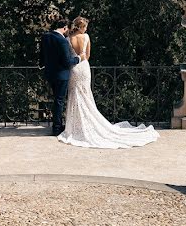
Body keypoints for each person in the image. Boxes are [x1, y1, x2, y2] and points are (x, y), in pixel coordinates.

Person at [59, 17, 159, 149]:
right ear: (81, 27)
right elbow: (87, 56)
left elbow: (69, 57)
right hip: (84, 68)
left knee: (75, 95)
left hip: (74, 70)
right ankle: (86, 124)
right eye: (85, 27)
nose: (86, 29)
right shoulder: (86, 37)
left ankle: (75, 126)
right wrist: (82, 56)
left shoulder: (68, 40)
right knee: (86, 95)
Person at [39, 17, 79, 136]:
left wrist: (41, 65)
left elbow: (42, 54)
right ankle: (57, 127)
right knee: (59, 100)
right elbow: (67, 62)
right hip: (61, 75)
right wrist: (78, 59)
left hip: (49, 73)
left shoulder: (46, 37)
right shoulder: (62, 41)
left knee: (56, 100)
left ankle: (56, 124)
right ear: (65, 27)